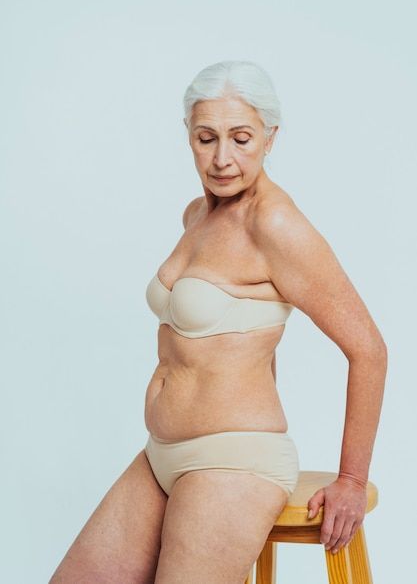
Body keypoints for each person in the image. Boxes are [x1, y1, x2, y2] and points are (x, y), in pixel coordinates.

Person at [49, 60, 387, 584]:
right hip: (160, 455)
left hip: (234, 461)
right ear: (189, 136)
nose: (223, 158)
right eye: (207, 138)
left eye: (241, 138)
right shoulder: (196, 216)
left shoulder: (275, 224)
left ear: (271, 138)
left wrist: (350, 478)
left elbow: (369, 349)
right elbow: (248, 336)